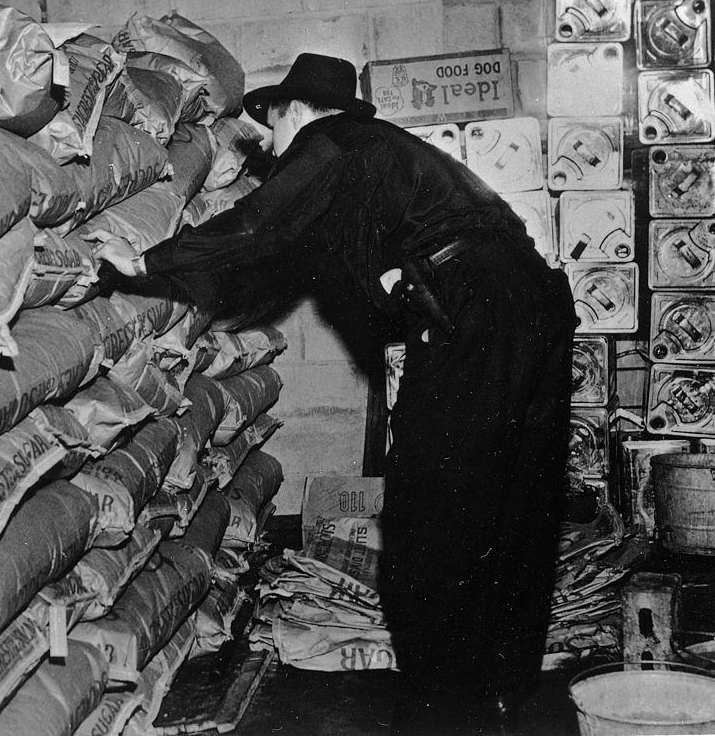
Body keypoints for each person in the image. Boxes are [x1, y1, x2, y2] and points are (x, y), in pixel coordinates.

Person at [100, 52, 577, 735]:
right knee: (518, 502)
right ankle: (503, 687)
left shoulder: (328, 146)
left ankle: (441, 702)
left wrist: (146, 261)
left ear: (295, 111)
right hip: (535, 299)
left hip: (472, 308)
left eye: (268, 125)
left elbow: (260, 224)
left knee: (431, 505)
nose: (266, 144)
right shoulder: (391, 153)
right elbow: (308, 259)